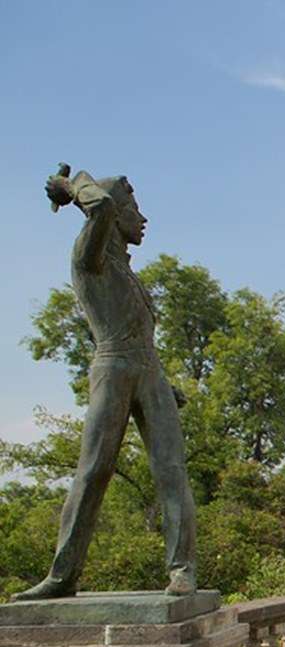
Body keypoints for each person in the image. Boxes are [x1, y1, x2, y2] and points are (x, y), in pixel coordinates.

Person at [17, 167, 197, 600]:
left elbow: (140, 335)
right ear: (117, 215)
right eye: (135, 208)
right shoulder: (89, 254)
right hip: (113, 367)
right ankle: (62, 576)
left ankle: (182, 570)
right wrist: (71, 184)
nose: (143, 218)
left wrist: (164, 387)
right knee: (94, 470)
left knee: (171, 471)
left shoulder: (127, 272)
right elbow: (99, 204)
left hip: (149, 372)